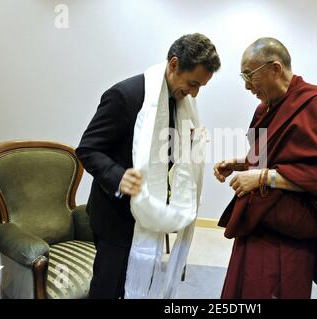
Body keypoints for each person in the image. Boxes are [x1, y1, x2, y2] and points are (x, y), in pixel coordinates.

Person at [77, 33, 221, 299]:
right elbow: (88, 149)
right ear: (174, 64)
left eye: (201, 86)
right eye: (192, 83)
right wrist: (119, 177)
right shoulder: (125, 96)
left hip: (153, 210)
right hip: (116, 217)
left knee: (142, 283)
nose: (194, 93)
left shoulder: (181, 103)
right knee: (109, 288)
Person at [214, 37, 317, 299]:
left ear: (275, 68)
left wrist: (263, 178)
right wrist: (239, 164)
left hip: (290, 234)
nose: (247, 86)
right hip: (256, 222)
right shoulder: (264, 108)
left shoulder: (314, 104)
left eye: (250, 75)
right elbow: (267, 158)